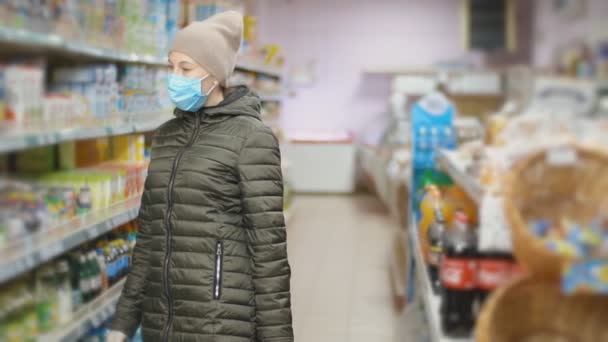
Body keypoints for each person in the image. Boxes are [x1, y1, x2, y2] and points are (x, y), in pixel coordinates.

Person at [108, 11, 294, 342]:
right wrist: (123, 323)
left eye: (186, 68)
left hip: (221, 323)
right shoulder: (165, 136)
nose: (174, 77)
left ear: (214, 73)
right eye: (171, 66)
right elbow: (149, 239)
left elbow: (269, 256)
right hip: (161, 323)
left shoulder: (252, 137)